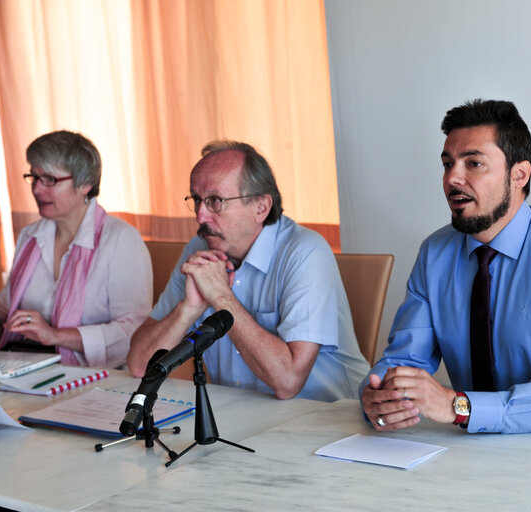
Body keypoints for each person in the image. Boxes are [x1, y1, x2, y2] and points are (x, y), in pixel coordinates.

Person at [361, 99, 531, 435]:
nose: (453, 179)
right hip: (481, 446)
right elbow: (406, 362)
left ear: (519, 175)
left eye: (473, 163)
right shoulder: (435, 254)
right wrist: (379, 395)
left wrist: (458, 407)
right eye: (447, 164)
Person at [127, 140, 369, 401]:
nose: (200, 216)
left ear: (261, 207)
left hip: (324, 421)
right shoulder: (198, 248)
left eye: (215, 201)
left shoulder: (306, 252)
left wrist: (221, 298)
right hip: (243, 416)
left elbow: (288, 382)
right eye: (196, 200)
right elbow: (140, 365)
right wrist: (188, 309)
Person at [0, 130, 152, 368]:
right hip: (30, 370)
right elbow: (8, 331)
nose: (36, 189)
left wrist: (55, 335)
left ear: (85, 184)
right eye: (33, 177)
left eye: (50, 180)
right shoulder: (29, 236)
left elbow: (134, 332)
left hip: (102, 379)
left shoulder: (121, 240)